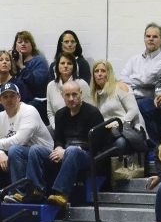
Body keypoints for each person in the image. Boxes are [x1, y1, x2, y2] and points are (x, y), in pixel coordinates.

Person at [6, 80, 107, 209]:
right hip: (64, 152)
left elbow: (98, 143)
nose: (71, 98)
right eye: (67, 95)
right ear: (62, 96)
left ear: (81, 94)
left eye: (74, 94)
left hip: (86, 154)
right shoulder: (60, 114)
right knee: (35, 149)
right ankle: (36, 190)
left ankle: (61, 193)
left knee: (72, 150)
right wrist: (59, 148)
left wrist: (68, 150)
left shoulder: (93, 112)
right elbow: (58, 140)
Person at [89, 59, 147, 161]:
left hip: (130, 131)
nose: (99, 74)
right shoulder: (96, 95)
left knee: (120, 143)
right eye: (96, 71)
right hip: (110, 133)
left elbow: (133, 110)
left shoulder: (120, 86)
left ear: (109, 73)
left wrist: (118, 123)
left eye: (103, 71)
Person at [0, 82, 54, 188]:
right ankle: (13, 192)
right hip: (22, 153)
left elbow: (20, 140)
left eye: (12, 96)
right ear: (0, 100)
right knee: (13, 151)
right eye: (5, 97)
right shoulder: (1, 117)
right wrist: (0, 153)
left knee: (15, 150)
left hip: (45, 154)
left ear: (19, 97)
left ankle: (26, 191)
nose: (9, 99)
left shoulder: (29, 111)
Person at [45, 52, 92, 129]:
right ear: (57, 66)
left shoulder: (82, 84)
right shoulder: (51, 86)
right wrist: (56, 127)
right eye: (62, 63)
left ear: (74, 67)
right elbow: (50, 113)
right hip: (58, 127)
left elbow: (89, 110)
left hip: (79, 127)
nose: (66, 66)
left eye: (69, 63)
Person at [11, 31, 50, 121]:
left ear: (32, 45)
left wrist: (22, 67)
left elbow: (37, 83)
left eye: (26, 41)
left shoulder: (39, 61)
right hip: (16, 104)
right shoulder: (13, 62)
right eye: (20, 42)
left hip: (35, 105)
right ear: (15, 46)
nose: (23, 44)